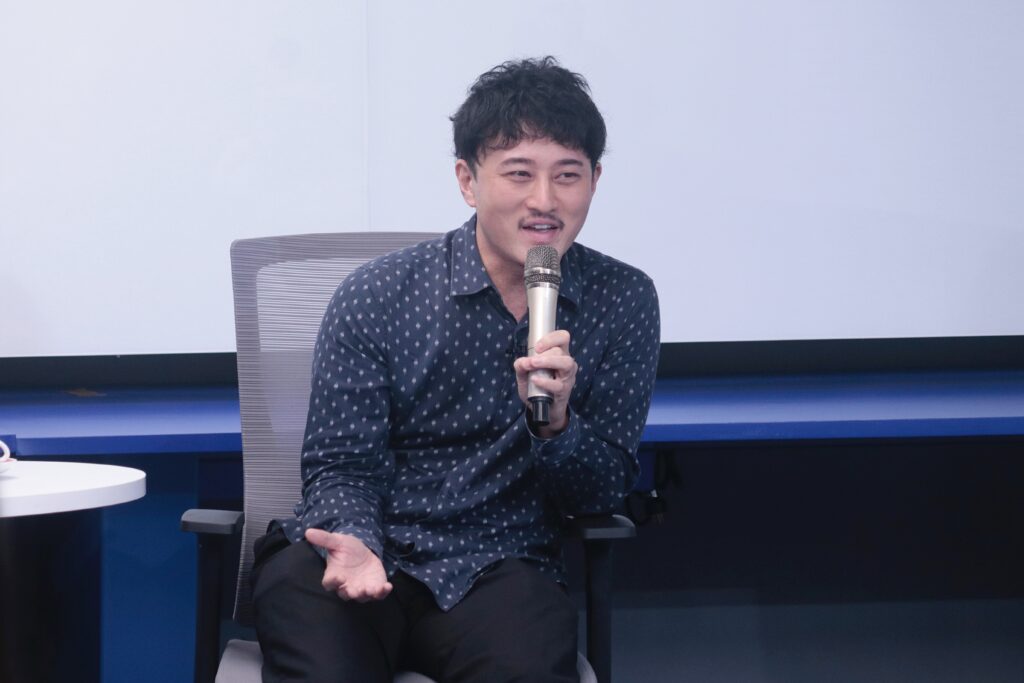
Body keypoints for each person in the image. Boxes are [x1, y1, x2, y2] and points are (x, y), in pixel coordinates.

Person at [251, 56, 660, 682]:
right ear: (468, 181)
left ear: (595, 180)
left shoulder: (622, 299)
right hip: (367, 544)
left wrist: (555, 426)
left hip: (500, 567)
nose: (544, 200)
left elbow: (601, 492)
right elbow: (341, 464)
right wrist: (354, 539)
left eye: (567, 176)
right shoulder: (377, 294)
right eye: (519, 174)